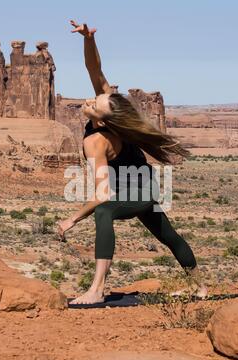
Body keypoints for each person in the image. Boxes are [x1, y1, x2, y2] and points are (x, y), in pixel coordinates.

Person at [57, 20, 208, 305]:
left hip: (139, 191)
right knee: (167, 234)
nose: (89, 100)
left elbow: (102, 194)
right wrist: (88, 40)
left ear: (101, 119)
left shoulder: (95, 142)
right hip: (143, 184)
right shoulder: (109, 111)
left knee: (104, 212)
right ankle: (199, 286)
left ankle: (97, 289)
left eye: (93, 105)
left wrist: (72, 219)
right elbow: (95, 69)